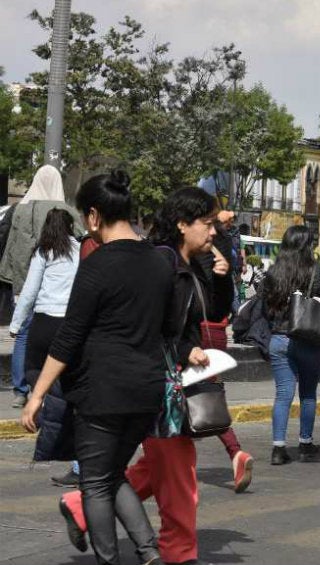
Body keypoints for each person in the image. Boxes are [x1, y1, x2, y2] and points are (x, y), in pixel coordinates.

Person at [59, 187, 236, 565]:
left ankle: (80, 506)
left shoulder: (197, 264)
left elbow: (216, 311)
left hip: (175, 381)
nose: (213, 232)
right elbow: (149, 321)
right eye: (206, 223)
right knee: (177, 475)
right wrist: (185, 346)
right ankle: (176, 553)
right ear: (181, 224)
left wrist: (222, 276)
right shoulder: (161, 263)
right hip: (156, 381)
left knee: (159, 468)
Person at [20, 170, 172, 565]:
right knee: (112, 472)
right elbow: (170, 329)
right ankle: (149, 552)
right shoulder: (159, 263)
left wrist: (36, 395)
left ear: (92, 216)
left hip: (103, 391)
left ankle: (109, 559)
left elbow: (69, 338)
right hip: (147, 390)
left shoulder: (97, 264)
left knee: (94, 483)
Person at [10, 209, 81, 487]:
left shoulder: (45, 251)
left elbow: (29, 292)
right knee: (64, 383)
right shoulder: (79, 249)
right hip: (70, 323)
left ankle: (38, 409)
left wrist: (16, 324)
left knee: (33, 371)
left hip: (44, 322)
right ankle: (52, 413)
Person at [3, 165, 82, 408]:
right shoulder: (67, 210)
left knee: (24, 338)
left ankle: (20, 390)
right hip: (59, 297)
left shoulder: (21, 210)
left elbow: (14, 247)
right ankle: (53, 391)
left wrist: (17, 283)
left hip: (25, 282)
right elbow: (80, 239)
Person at [262, 225, 320, 465]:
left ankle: (278, 449)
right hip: (308, 339)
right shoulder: (315, 270)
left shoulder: (274, 271)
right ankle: (305, 444)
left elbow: (265, 306)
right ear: (306, 245)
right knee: (308, 393)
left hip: (279, 338)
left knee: (283, 394)